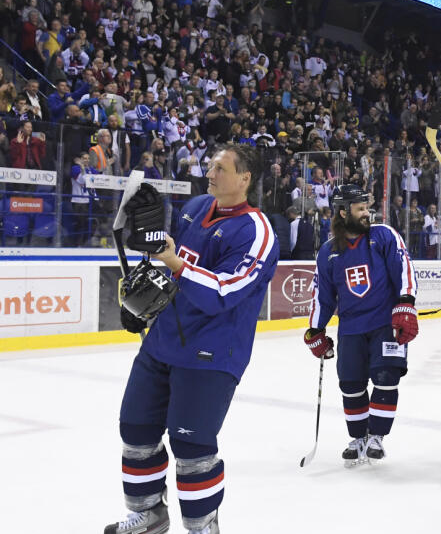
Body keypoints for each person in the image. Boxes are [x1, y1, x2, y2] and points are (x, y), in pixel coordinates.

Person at [104, 144, 279, 534]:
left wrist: (173, 262)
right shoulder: (196, 206)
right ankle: (148, 514)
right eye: (211, 165)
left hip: (211, 354)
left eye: (220, 168)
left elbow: (224, 291)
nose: (210, 172)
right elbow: (164, 261)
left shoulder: (257, 232)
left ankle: (202, 527)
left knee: (192, 446)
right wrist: (140, 301)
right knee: (135, 429)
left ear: (245, 179)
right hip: (161, 342)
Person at [306, 184, 419, 467]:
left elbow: (404, 268)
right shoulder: (328, 252)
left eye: (366, 208)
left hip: (385, 324)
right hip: (351, 328)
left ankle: (376, 437)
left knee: (385, 377)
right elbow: (322, 295)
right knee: (351, 384)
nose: (367, 213)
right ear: (343, 212)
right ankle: (357, 438)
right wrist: (315, 330)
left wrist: (406, 303)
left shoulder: (383, 236)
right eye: (360, 209)